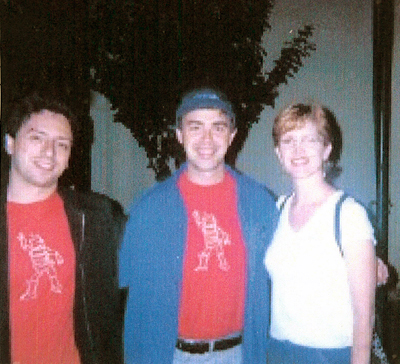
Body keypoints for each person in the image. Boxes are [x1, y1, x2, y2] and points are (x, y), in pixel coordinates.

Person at [119, 88, 277, 364]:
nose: (207, 139)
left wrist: (359, 258)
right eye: (195, 127)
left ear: (232, 135)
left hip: (242, 355)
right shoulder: (149, 209)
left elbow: (298, 260)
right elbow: (122, 292)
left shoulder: (259, 203)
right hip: (171, 356)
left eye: (218, 127)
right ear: (179, 135)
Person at [0, 92, 126, 364]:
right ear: (9, 143)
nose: (49, 152)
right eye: (37, 138)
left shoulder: (97, 217)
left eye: (62, 144)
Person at [264, 103, 376, 364]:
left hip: (329, 356)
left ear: (326, 149)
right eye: (289, 140)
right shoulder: (275, 211)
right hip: (277, 352)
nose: (298, 150)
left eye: (309, 140)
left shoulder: (348, 214)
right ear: (279, 153)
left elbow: (364, 316)